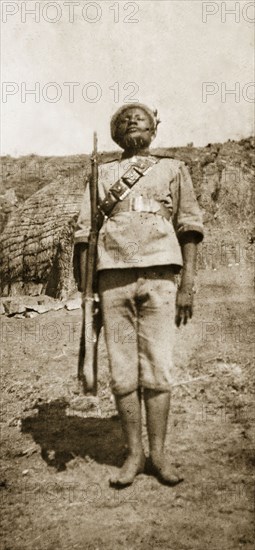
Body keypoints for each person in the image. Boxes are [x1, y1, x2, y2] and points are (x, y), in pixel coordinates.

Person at [74, 103, 204, 487]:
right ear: (116, 133)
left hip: (162, 278)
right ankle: (134, 455)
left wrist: (188, 285)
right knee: (122, 371)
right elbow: (85, 235)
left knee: (159, 368)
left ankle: (159, 456)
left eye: (141, 117)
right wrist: (89, 296)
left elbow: (190, 227)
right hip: (112, 279)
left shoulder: (173, 168)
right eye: (125, 119)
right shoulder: (102, 173)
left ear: (154, 129)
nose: (134, 122)